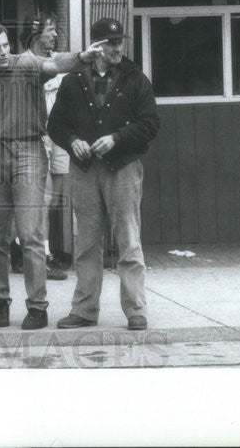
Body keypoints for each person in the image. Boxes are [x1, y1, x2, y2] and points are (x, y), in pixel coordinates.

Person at [0, 21, 107, 330]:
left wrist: (82, 57)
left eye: (5, 45)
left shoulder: (25, 64)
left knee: (30, 234)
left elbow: (55, 63)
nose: (4, 52)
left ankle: (37, 306)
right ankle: (0, 303)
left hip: (29, 151)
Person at [48, 18, 160, 331]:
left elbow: (151, 123)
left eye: (119, 42)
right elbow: (55, 125)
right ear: (95, 46)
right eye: (110, 43)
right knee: (86, 242)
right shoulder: (73, 80)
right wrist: (73, 142)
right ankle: (84, 310)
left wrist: (117, 138)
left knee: (128, 239)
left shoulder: (135, 78)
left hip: (122, 167)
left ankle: (136, 310)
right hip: (84, 170)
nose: (117, 48)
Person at [19, 12, 71, 281]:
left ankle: (37, 248)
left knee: (56, 197)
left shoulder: (60, 62)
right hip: (38, 135)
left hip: (60, 135)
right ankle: (40, 255)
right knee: (42, 198)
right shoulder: (23, 63)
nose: (54, 34)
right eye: (50, 30)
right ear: (35, 33)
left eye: (55, 30)